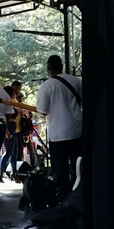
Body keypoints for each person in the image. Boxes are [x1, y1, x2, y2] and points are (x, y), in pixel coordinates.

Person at [36, 54, 82, 200]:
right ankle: (79, 195)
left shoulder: (47, 86)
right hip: (77, 130)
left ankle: (65, 198)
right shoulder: (76, 81)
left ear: (48, 68)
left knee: (61, 168)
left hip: (58, 134)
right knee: (78, 166)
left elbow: (42, 111)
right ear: (62, 66)